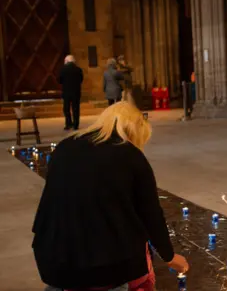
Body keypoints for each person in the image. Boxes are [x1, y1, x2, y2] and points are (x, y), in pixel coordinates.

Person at [32, 101, 189, 291]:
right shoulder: (130, 155)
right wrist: (169, 257)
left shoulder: (65, 147)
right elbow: (151, 214)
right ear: (135, 129)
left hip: (53, 256)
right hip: (106, 264)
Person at [58, 55, 83, 131]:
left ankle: (68, 124)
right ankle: (76, 125)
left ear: (66, 61)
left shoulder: (63, 69)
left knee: (66, 109)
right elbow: (81, 80)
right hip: (76, 92)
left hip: (66, 92)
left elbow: (59, 80)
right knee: (76, 108)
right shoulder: (78, 69)